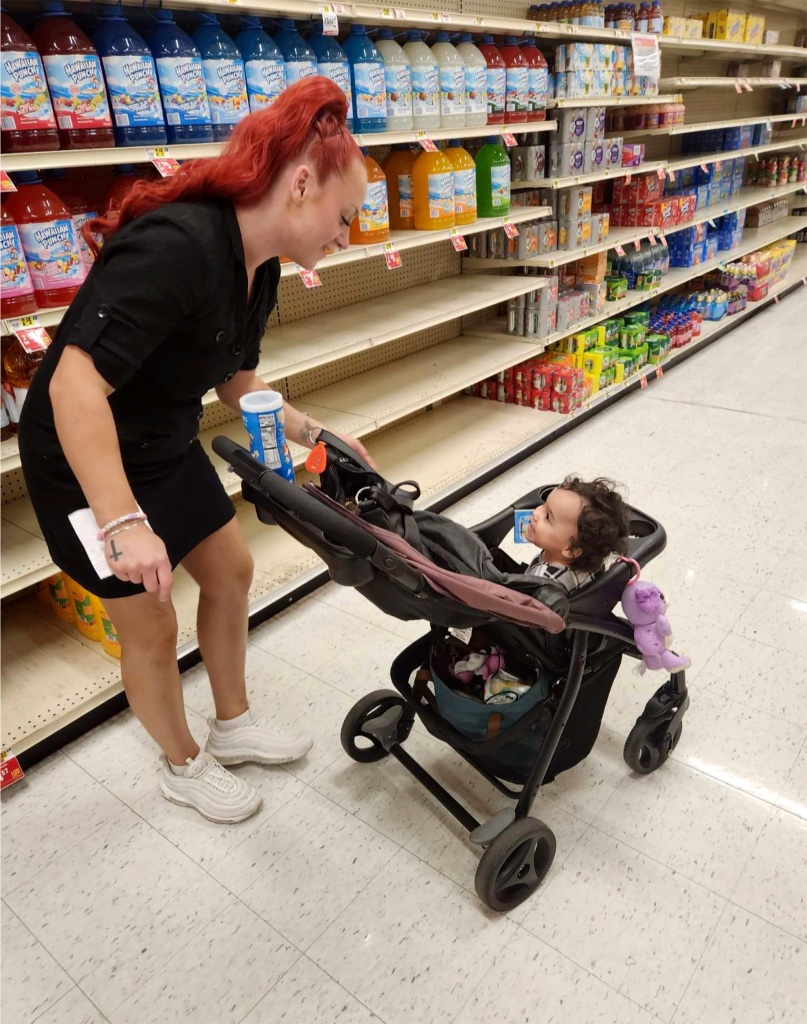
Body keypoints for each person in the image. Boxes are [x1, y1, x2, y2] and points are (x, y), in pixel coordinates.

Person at [18, 77, 370, 825]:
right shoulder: (178, 244)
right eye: (345, 217)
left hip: (161, 439)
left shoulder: (260, 264)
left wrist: (316, 434)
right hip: (86, 460)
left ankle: (233, 724)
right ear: (301, 184)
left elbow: (236, 378)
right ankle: (181, 763)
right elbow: (74, 388)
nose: (348, 236)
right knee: (150, 622)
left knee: (231, 570)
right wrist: (121, 522)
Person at [523, 476, 629, 591]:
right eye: (544, 505)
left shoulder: (540, 581)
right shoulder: (593, 560)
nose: (536, 512)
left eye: (548, 517)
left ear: (571, 550)